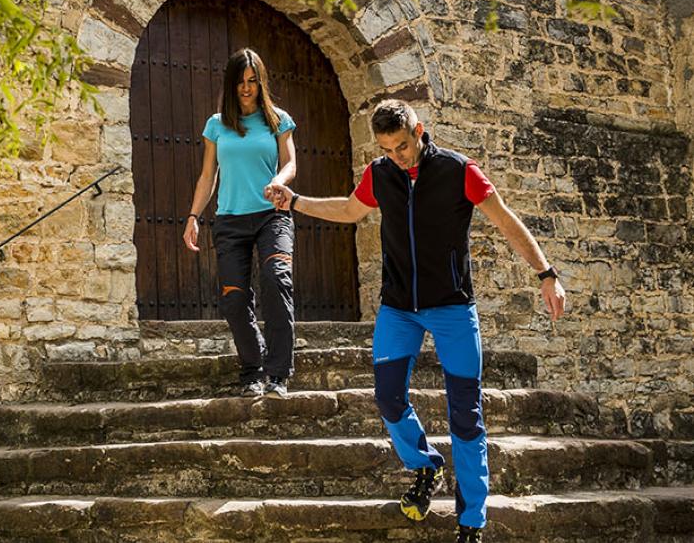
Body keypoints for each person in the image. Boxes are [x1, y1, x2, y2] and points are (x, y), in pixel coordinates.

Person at [268, 99, 566, 543]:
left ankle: (471, 523)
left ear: (419, 131)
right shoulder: (380, 173)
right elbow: (350, 211)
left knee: (466, 416)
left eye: (403, 146)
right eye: (388, 149)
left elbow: (505, 221)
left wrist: (547, 274)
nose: (398, 156)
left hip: (452, 307)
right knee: (388, 398)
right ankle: (426, 465)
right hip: (399, 308)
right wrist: (295, 201)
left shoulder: (460, 170)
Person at [183, 47, 298, 398]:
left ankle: (278, 373)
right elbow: (208, 176)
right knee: (234, 299)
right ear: (230, 84)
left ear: (260, 82)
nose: (246, 88)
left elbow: (291, 162)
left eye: (252, 81)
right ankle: (253, 369)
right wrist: (193, 216)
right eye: (240, 82)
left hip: (272, 216)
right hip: (230, 220)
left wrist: (279, 181)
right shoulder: (217, 124)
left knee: (276, 280)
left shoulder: (278, 119)